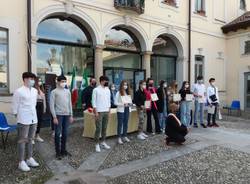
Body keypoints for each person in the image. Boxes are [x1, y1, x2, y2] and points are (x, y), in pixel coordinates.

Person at [12, 72, 39, 172]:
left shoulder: (35, 91)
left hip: (33, 118)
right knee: (22, 140)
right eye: (30, 78)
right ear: (24, 79)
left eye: (33, 79)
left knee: (31, 139)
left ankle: (29, 158)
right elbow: (15, 106)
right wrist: (18, 117)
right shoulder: (19, 91)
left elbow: (34, 104)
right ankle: (21, 161)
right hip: (23, 119)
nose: (32, 80)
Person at [50, 75, 74, 160]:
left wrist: (71, 115)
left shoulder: (67, 91)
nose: (64, 83)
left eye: (65, 81)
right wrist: (54, 117)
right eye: (62, 81)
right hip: (58, 115)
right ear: (58, 82)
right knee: (57, 134)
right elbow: (51, 105)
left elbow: (69, 104)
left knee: (65, 133)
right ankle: (58, 152)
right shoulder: (54, 92)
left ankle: (63, 150)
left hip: (67, 115)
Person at [92, 76, 111, 152]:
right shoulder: (96, 90)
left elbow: (109, 100)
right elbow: (93, 101)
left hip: (106, 110)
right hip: (99, 111)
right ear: (102, 81)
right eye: (106, 81)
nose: (107, 82)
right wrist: (95, 112)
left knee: (104, 128)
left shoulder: (108, 90)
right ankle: (96, 144)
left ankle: (103, 142)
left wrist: (109, 111)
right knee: (98, 128)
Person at [34, 77, 46, 142]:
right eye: (38, 81)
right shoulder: (32, 89)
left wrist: (44, 108)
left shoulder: (41, 89)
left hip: (41, 105)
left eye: (40, 81)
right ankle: (32, 137)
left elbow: (44, 100)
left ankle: (37, 135)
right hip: (35, 105)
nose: (39, 82)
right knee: (34, 122)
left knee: (39, 121)